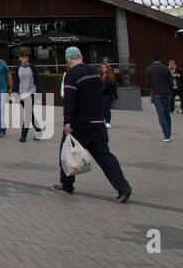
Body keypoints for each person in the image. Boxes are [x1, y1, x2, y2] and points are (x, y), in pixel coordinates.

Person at [53, 47, 132, 202]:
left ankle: (67, 186)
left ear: (68, 59)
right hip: (98, 121)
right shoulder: (95, 72)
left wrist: (67, 120)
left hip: (79, 123)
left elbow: (70, 100)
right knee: (105, 156)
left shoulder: (71, 75)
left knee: (66, 151)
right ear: (81, 56)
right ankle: (123, 187)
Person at [14, 47, 44, 141]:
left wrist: (38, 94)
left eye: (26, 57)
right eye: (23, 57)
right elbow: (15, 81)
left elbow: (37, 81)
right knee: (30, 113)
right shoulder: (18, 68)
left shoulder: (32, 67)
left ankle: (23, 136)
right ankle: (38, 130)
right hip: (21, 94)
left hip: (31, 92)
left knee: (28, 113)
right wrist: (14, 93)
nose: (25, 59)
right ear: (20, 58)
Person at [145, 52, 174, 141]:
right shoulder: (166, 69)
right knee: (167, 113)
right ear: (160, 59)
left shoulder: (149, 69)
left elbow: (147, 83)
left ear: (152, 59)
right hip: (166, 93)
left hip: (156, 93)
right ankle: (168, 133)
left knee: (161, 114)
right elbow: (171, 83)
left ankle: (166, 134)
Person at [100, 62, 119, 127]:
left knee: (106, 108)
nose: (103, 69)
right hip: (101, 94)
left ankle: (108, 121)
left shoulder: (111, 77)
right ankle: (104, 120)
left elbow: (114, 87)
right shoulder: (100, 76)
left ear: (107, 68)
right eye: (102, 67)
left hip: (108, 94)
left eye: (104, 67)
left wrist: (115, 95)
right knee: (102, 108)